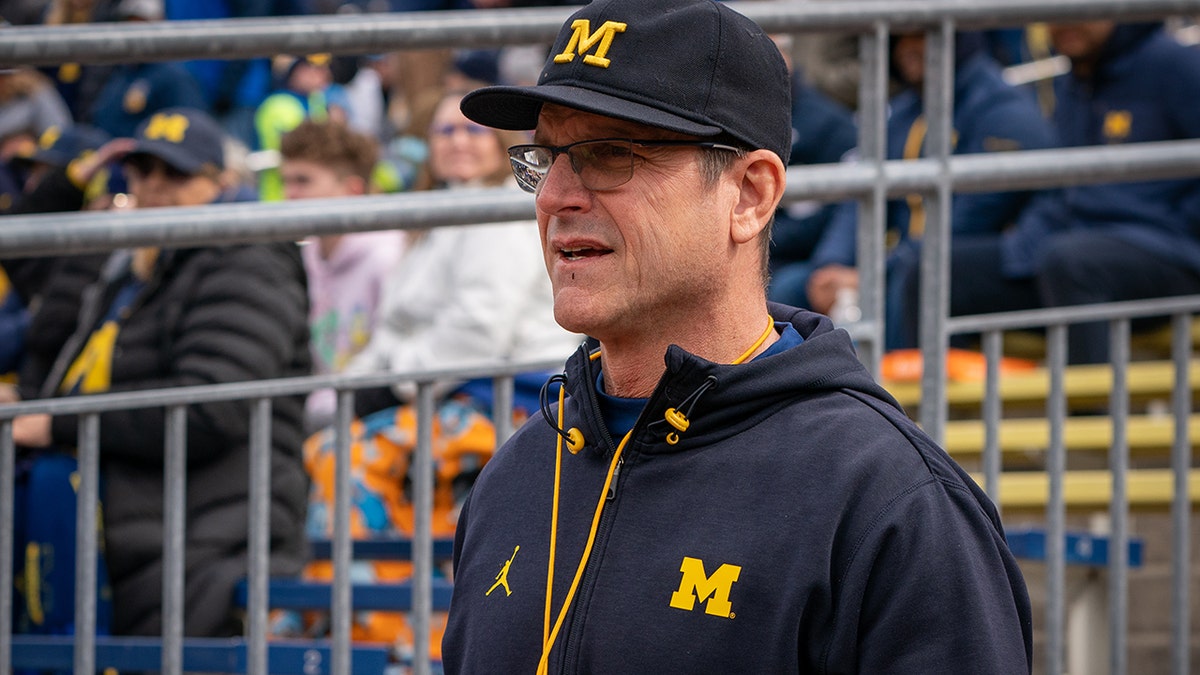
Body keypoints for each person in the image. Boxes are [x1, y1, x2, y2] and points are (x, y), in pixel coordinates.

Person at [440, 0, 1033, 672]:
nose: (556, 197)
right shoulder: (515, 475)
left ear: (750, 194)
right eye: (547, 158)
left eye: (609, 153)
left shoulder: (888, 501)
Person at [288, 87, 580, 661]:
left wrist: (390, 384)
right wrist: (357, 387)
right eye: (444, 131)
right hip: (444, 395)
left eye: (471, 131)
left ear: (499, 146)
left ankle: (364, 633)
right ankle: (350, 618)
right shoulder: (433, 223)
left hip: (512, 401)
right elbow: (391, 335)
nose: (457, 142)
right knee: (334, 442)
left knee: (344, 456)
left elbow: (477, 332)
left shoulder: (497, 213)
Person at [3, 106, 311, 638]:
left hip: (201, 519)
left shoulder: (248, 253)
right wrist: (95, 249)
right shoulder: (141, 259)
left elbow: (212, 407)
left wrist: (57, 424)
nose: (155, 187)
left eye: (177, 174)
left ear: (222, 183)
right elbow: (43, 330)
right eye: (143, 172)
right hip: (129, 500)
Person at [805, 31, 1057, 350]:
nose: (908, 49)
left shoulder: (1003, 111)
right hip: (892, 263)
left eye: (922, 36)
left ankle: (895, 399)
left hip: (963, 273)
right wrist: (830, 265)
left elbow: (966, 224)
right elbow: (858, 198)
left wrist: (871, 274)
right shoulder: (904, 109)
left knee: (914, 281)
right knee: (792, 289)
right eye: (901, 39)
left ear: (955, 38)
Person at [982, 20, 1200, 364]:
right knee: (934, 268)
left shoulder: (1178, 65)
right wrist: (1026, 241)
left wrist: (1173, 227)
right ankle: (910, 417)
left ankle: (1089, 414)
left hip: (1172, 257)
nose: (1067, 19)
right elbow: (1064, 190)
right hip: (1070, 248)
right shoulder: (1075, 79)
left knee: (1072, 262)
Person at [277, 118, 406, 432]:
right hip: (319, 420)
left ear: (352, 190)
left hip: (370, 419)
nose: (289, 194)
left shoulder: (388, 256)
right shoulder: (306, 254)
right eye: (287, 181)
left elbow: (391, 356)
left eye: (303, 182)